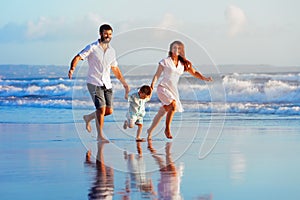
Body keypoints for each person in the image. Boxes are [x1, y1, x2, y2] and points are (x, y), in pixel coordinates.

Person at [68, 24, 130, 142]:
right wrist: (72, 68)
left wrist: (124, 83)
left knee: (109, 110)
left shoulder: (112, 51)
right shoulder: (92, 47)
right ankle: (100, 135)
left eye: (110, 34)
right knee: (101, 109)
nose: (108, 36)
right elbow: (78, 57)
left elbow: (115, 68)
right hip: (94, 82)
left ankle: (89, 117)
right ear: (100, 34)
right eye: (106, 34)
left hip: (107, 84)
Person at [147, 40, 213, 140]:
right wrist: (152, 84)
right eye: (174, 47)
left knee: (162, 112)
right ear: (171, 49)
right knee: (173, 105)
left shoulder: (183, 64)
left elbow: (194, 73)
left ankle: (150, 130)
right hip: (163, 88)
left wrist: (205, 78)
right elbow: (157, 74)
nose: (176, 49)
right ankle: (167, 129)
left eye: (178, 48)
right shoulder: (165, 61)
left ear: (181, 50)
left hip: (173, 90)